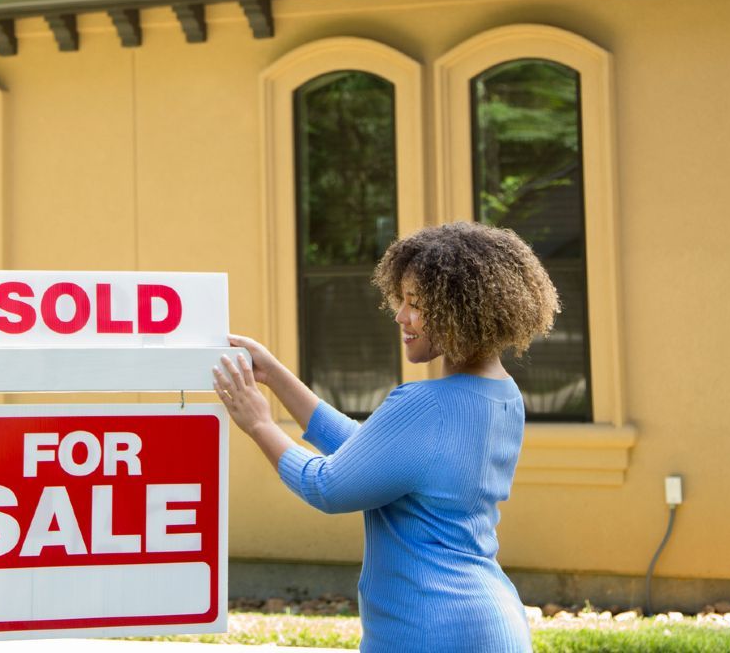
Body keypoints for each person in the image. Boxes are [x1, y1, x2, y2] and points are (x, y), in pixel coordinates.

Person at [212, 221, 558, 653]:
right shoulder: (504, 395)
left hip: (433, 630)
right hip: (489, 624)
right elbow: (375, 451)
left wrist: (259, 424)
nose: (401, 315)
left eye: (417, 303)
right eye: (402, 299)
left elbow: (327, 485)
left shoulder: (427, 404)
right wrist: (276, 376)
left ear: (461, 309)